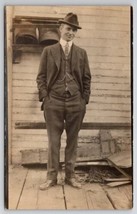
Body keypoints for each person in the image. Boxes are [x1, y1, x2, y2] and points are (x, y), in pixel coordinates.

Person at [36, 12, 91, 190]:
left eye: (74, 30)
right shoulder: (48, 51)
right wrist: (45, 97)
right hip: (54, 103)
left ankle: (70, 177)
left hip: (76, 102)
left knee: (72, 141)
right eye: (68, 29)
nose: (71, 33)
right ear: (61, 29)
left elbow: (86, 79)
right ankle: (51, 178)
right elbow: (41, 77)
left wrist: (84, 100)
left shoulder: (82, 53)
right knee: (53, 141)